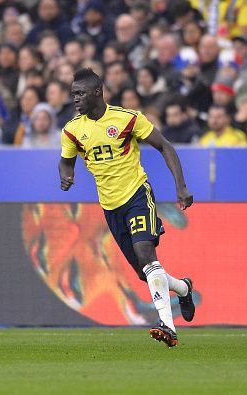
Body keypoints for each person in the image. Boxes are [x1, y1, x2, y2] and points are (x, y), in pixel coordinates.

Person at [59, 68, 195, 348]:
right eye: (73, 94)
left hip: (136, 194)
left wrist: (180, 186)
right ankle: (183, 287)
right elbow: (66, 160)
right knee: (142, 272)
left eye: (80, 93)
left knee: (147, 255)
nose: (75, 99)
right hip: (110, 207)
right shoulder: (72, 129)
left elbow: (165, 146)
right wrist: (66, 174)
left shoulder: (127, 119)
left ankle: (168, 326)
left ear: (97, 92)